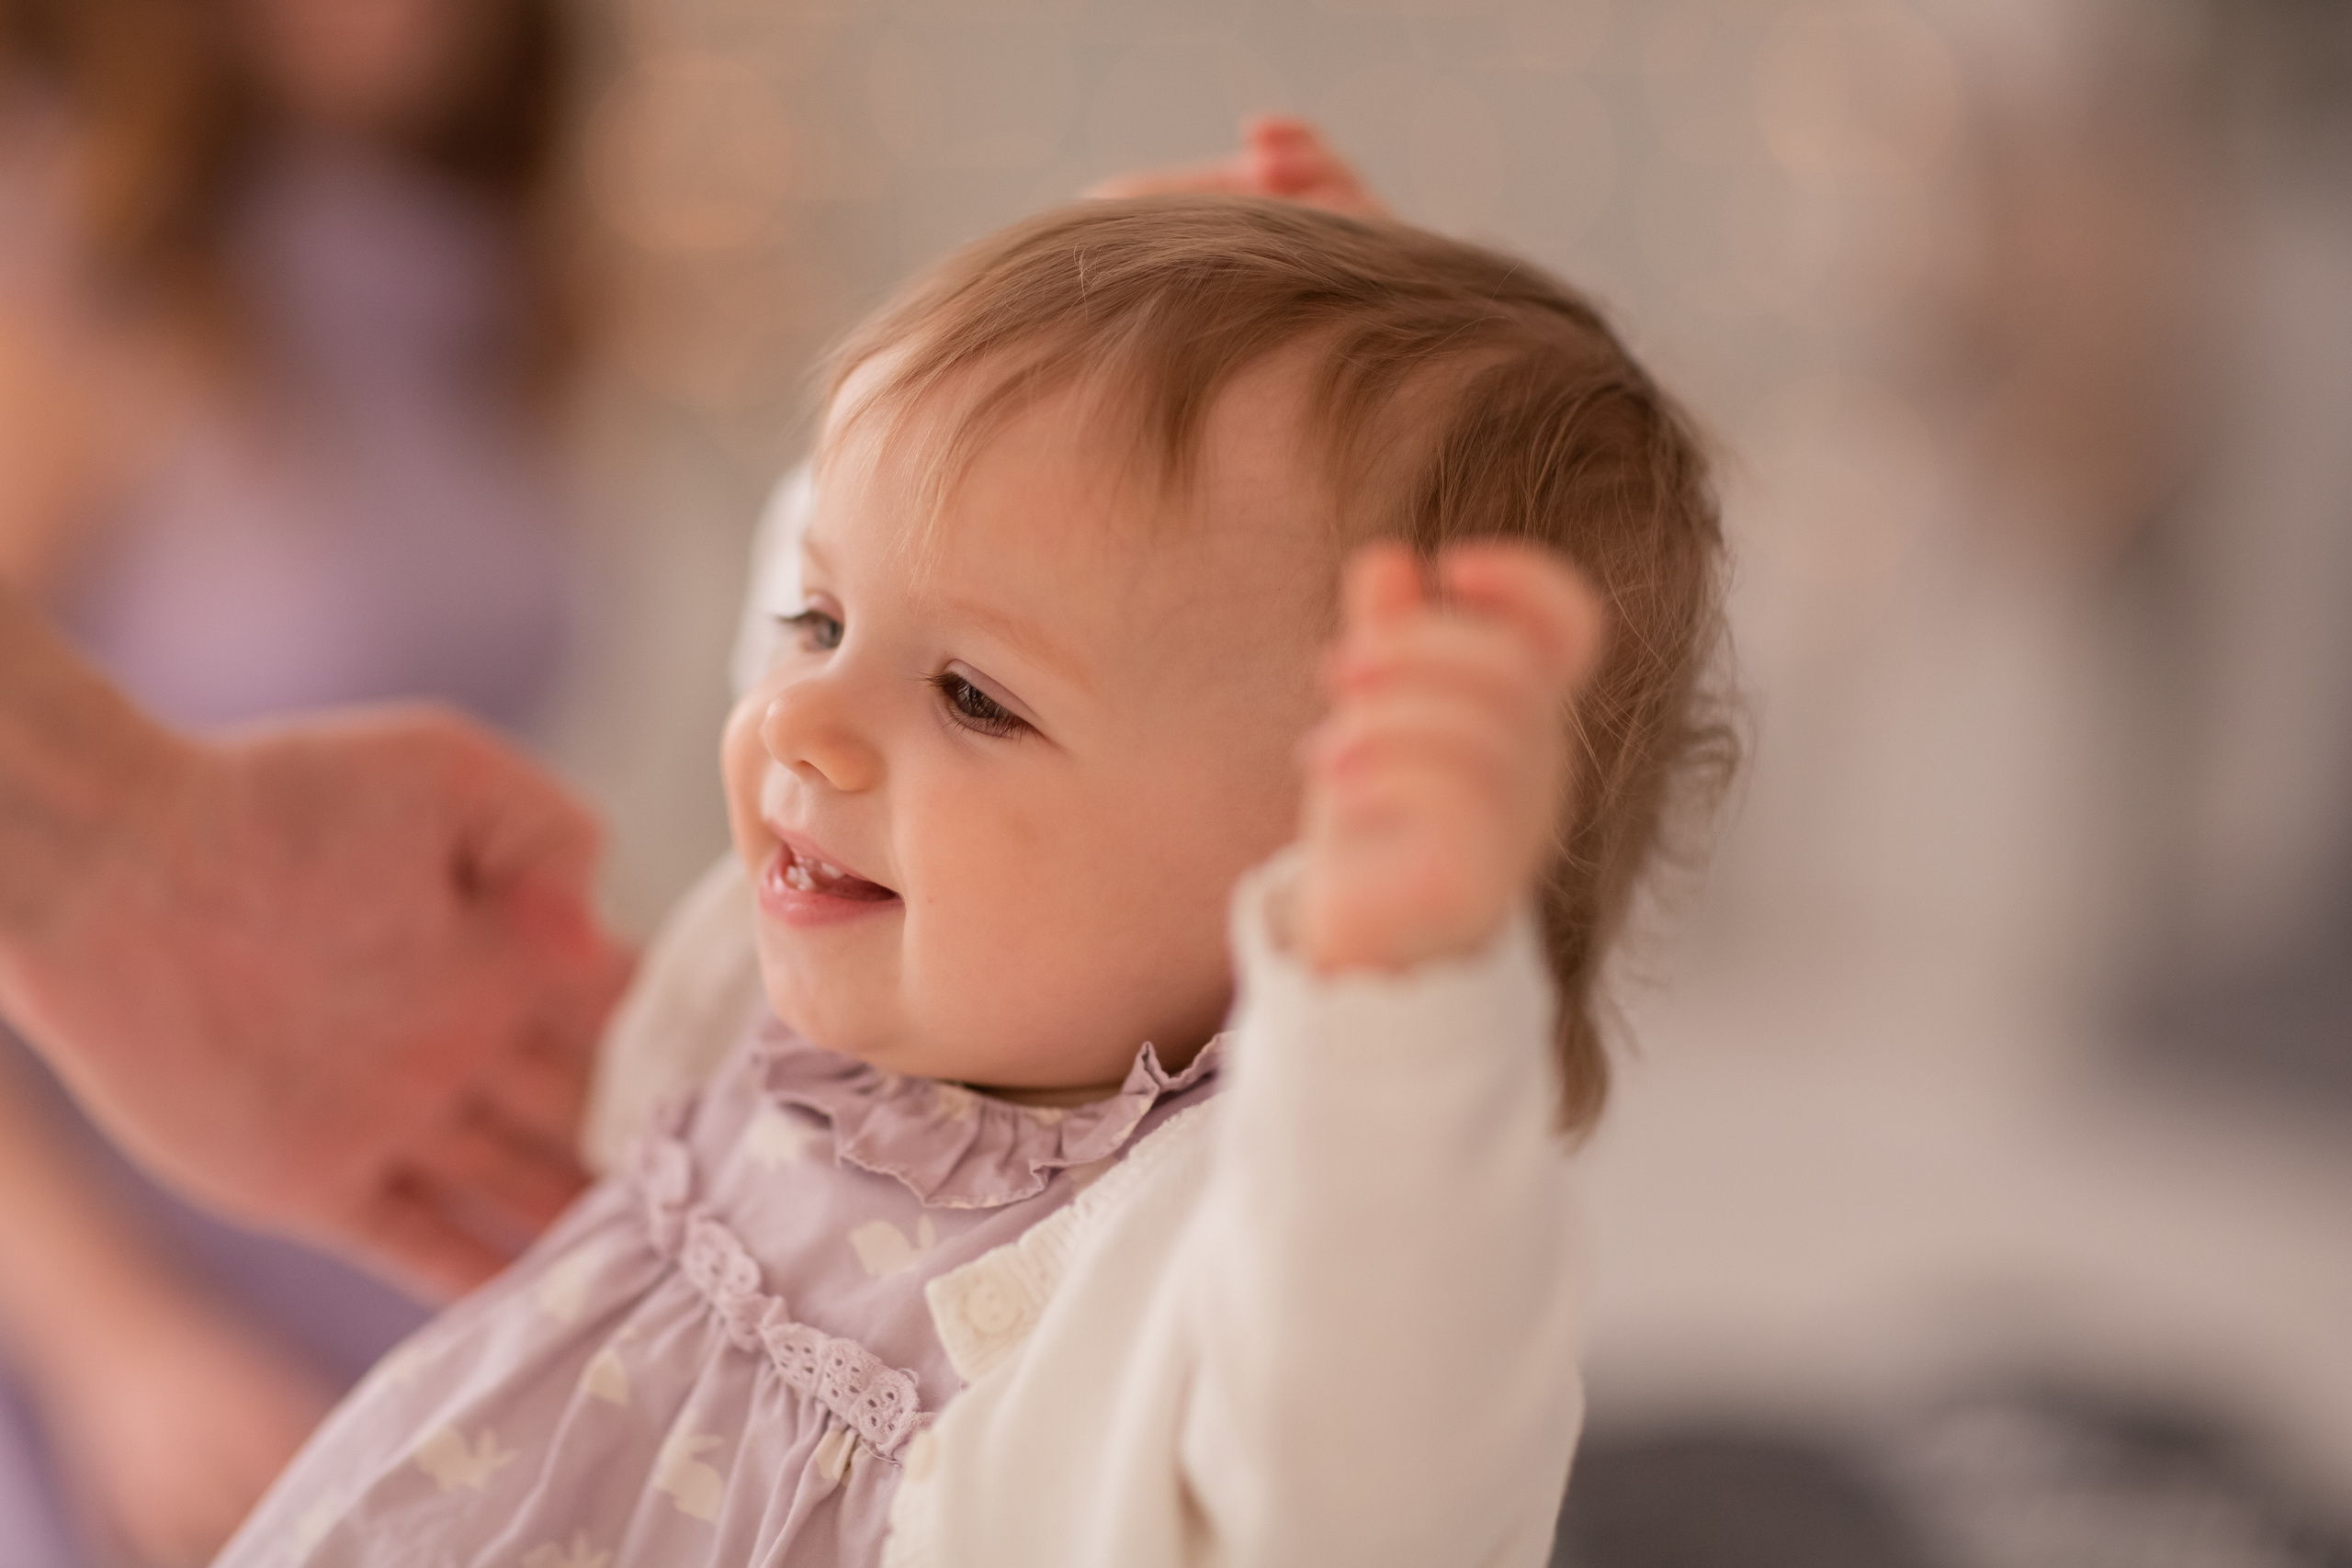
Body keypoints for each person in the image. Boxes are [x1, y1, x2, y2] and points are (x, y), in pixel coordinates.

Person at [203, 181, 1732, 1568]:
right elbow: (865, 531)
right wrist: (1110, 293)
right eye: (818, 628)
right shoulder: (838, 976)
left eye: (976, 699)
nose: (801, 717)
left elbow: (1381, 1422)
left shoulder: (1218, 1282)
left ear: (1319, 867)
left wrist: (1406, 999)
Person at [0, 0, 604, 1558]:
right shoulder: (68, 275)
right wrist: (110, 1339)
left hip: (387, 1162)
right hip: (114, 1250)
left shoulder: (468, 278)